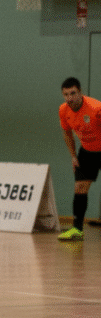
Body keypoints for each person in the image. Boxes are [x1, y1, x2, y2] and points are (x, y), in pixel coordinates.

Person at [57, 77, 101, 241]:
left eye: (73, 93)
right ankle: (77, 229)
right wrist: (73, 156)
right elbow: (67, 133)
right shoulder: (63, 110)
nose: (70, 98)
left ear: (80, 92)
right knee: (80, 188)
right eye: (66, 94)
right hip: (87, 152)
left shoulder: (96, 108)